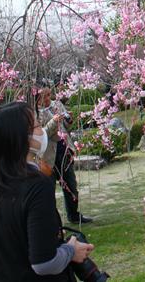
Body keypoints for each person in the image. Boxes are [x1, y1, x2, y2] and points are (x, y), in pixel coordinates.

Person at [0, 101, 94, 281]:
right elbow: (44, 263)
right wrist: (71, 250)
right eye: (36, 126)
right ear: (20, 138)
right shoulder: (36, 186)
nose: (42, 131)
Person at [36, 87, 93, 224]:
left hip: (64, 149)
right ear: (37, 98)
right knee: (48, 190)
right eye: (44, 96)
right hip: (47, 156)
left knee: (71, 185)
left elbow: (65, 127)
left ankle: (74, 215)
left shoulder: (57, 104)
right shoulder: (34, 113)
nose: (48, 98)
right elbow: (39, 135)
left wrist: (68, 120)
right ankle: (51, 221)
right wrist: (53, 122)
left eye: (49, 94)